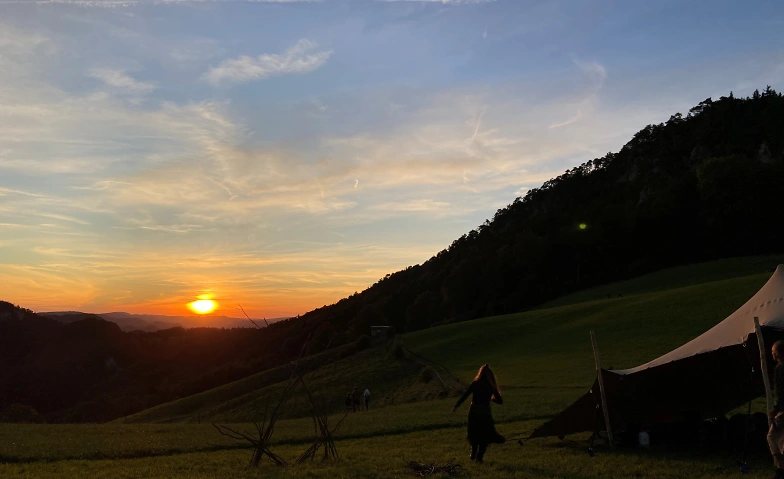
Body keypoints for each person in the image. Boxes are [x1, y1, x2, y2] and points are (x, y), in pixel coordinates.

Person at [451, 364, 504, 463]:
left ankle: (473, 453)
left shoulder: (475, 383)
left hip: (474, 411)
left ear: (480, 373)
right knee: (484, 434)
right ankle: (479, 457)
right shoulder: (491, 386)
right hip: (485, 412)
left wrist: (456, 406)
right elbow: (500, 401)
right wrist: (491, 398)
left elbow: (465, 395)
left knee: (473, 432)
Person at [768, 341, 784, 478]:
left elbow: (782, 392)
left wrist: (776, 408)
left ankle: (781, 469)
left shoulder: (781, 368)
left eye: (774, 352)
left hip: (783, 409)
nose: (772, 354)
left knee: (773, 436)